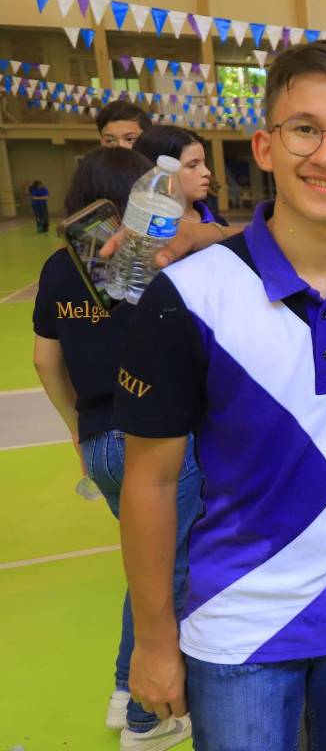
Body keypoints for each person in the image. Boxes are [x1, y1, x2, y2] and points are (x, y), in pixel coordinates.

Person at [113, 39, 326, 751]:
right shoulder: (187, 297)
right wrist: (155, 642)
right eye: (304, 129)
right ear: (264, 145)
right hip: (238, 624)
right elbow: (150, 479)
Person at [32, 147, 204, 750]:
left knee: (144, 565)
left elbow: (45, 359)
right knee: (161, 571)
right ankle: (145, 721)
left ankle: (120, 691)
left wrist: (77, 433)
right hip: (151, 440)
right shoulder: (149, 265)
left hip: (98, 439)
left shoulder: (58, 269)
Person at [132, 126, 228, 226]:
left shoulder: (219, 224)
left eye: (204, 163)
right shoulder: (145, 226)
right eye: (192, 165)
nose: (207, 172)